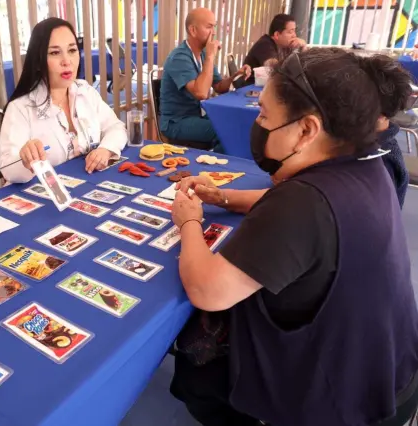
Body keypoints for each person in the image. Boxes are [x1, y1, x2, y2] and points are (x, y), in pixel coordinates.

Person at [170, 48, 418, 426]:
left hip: (344, 404)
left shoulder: (302, 203)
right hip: (388, 373)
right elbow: (299, 208)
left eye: (265, 114)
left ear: (306, 130)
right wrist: (223, 196)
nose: (258, 122)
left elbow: (208, 290)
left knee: (198, 371)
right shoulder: (368, 163)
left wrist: (189, 221)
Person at [0, 18, 127, 183]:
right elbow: (8, 169)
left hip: (84, 187)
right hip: (40, 196)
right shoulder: (20, 108)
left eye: (72, 50)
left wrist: (105, 149)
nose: (67, 61)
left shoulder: (85, 91)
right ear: (38, 62)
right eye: (54, 53)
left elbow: (116, 127)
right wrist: (24, 160)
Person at [159, 8, 251, 150]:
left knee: (236, 122)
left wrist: (235, 75)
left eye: (214, 27)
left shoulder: (203, 54)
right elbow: (201, 93)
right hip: (177, 122)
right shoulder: (179, 57)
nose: (213, 32)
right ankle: (218, 168)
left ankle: (222, 164)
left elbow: (220, 86)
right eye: (209, 27)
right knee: (226, 131)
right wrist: (210, 56)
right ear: (193, 30)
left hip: (198, 116)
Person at [243, 14, 307, 84]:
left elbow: (303, 66)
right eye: (290, 32)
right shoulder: (265, 44)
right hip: (249, 88)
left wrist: (303, 46)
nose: (294, 35)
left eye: (294, 31)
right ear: (277, 35)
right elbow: (274, 68)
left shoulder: (285, 45)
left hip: (266, 86)